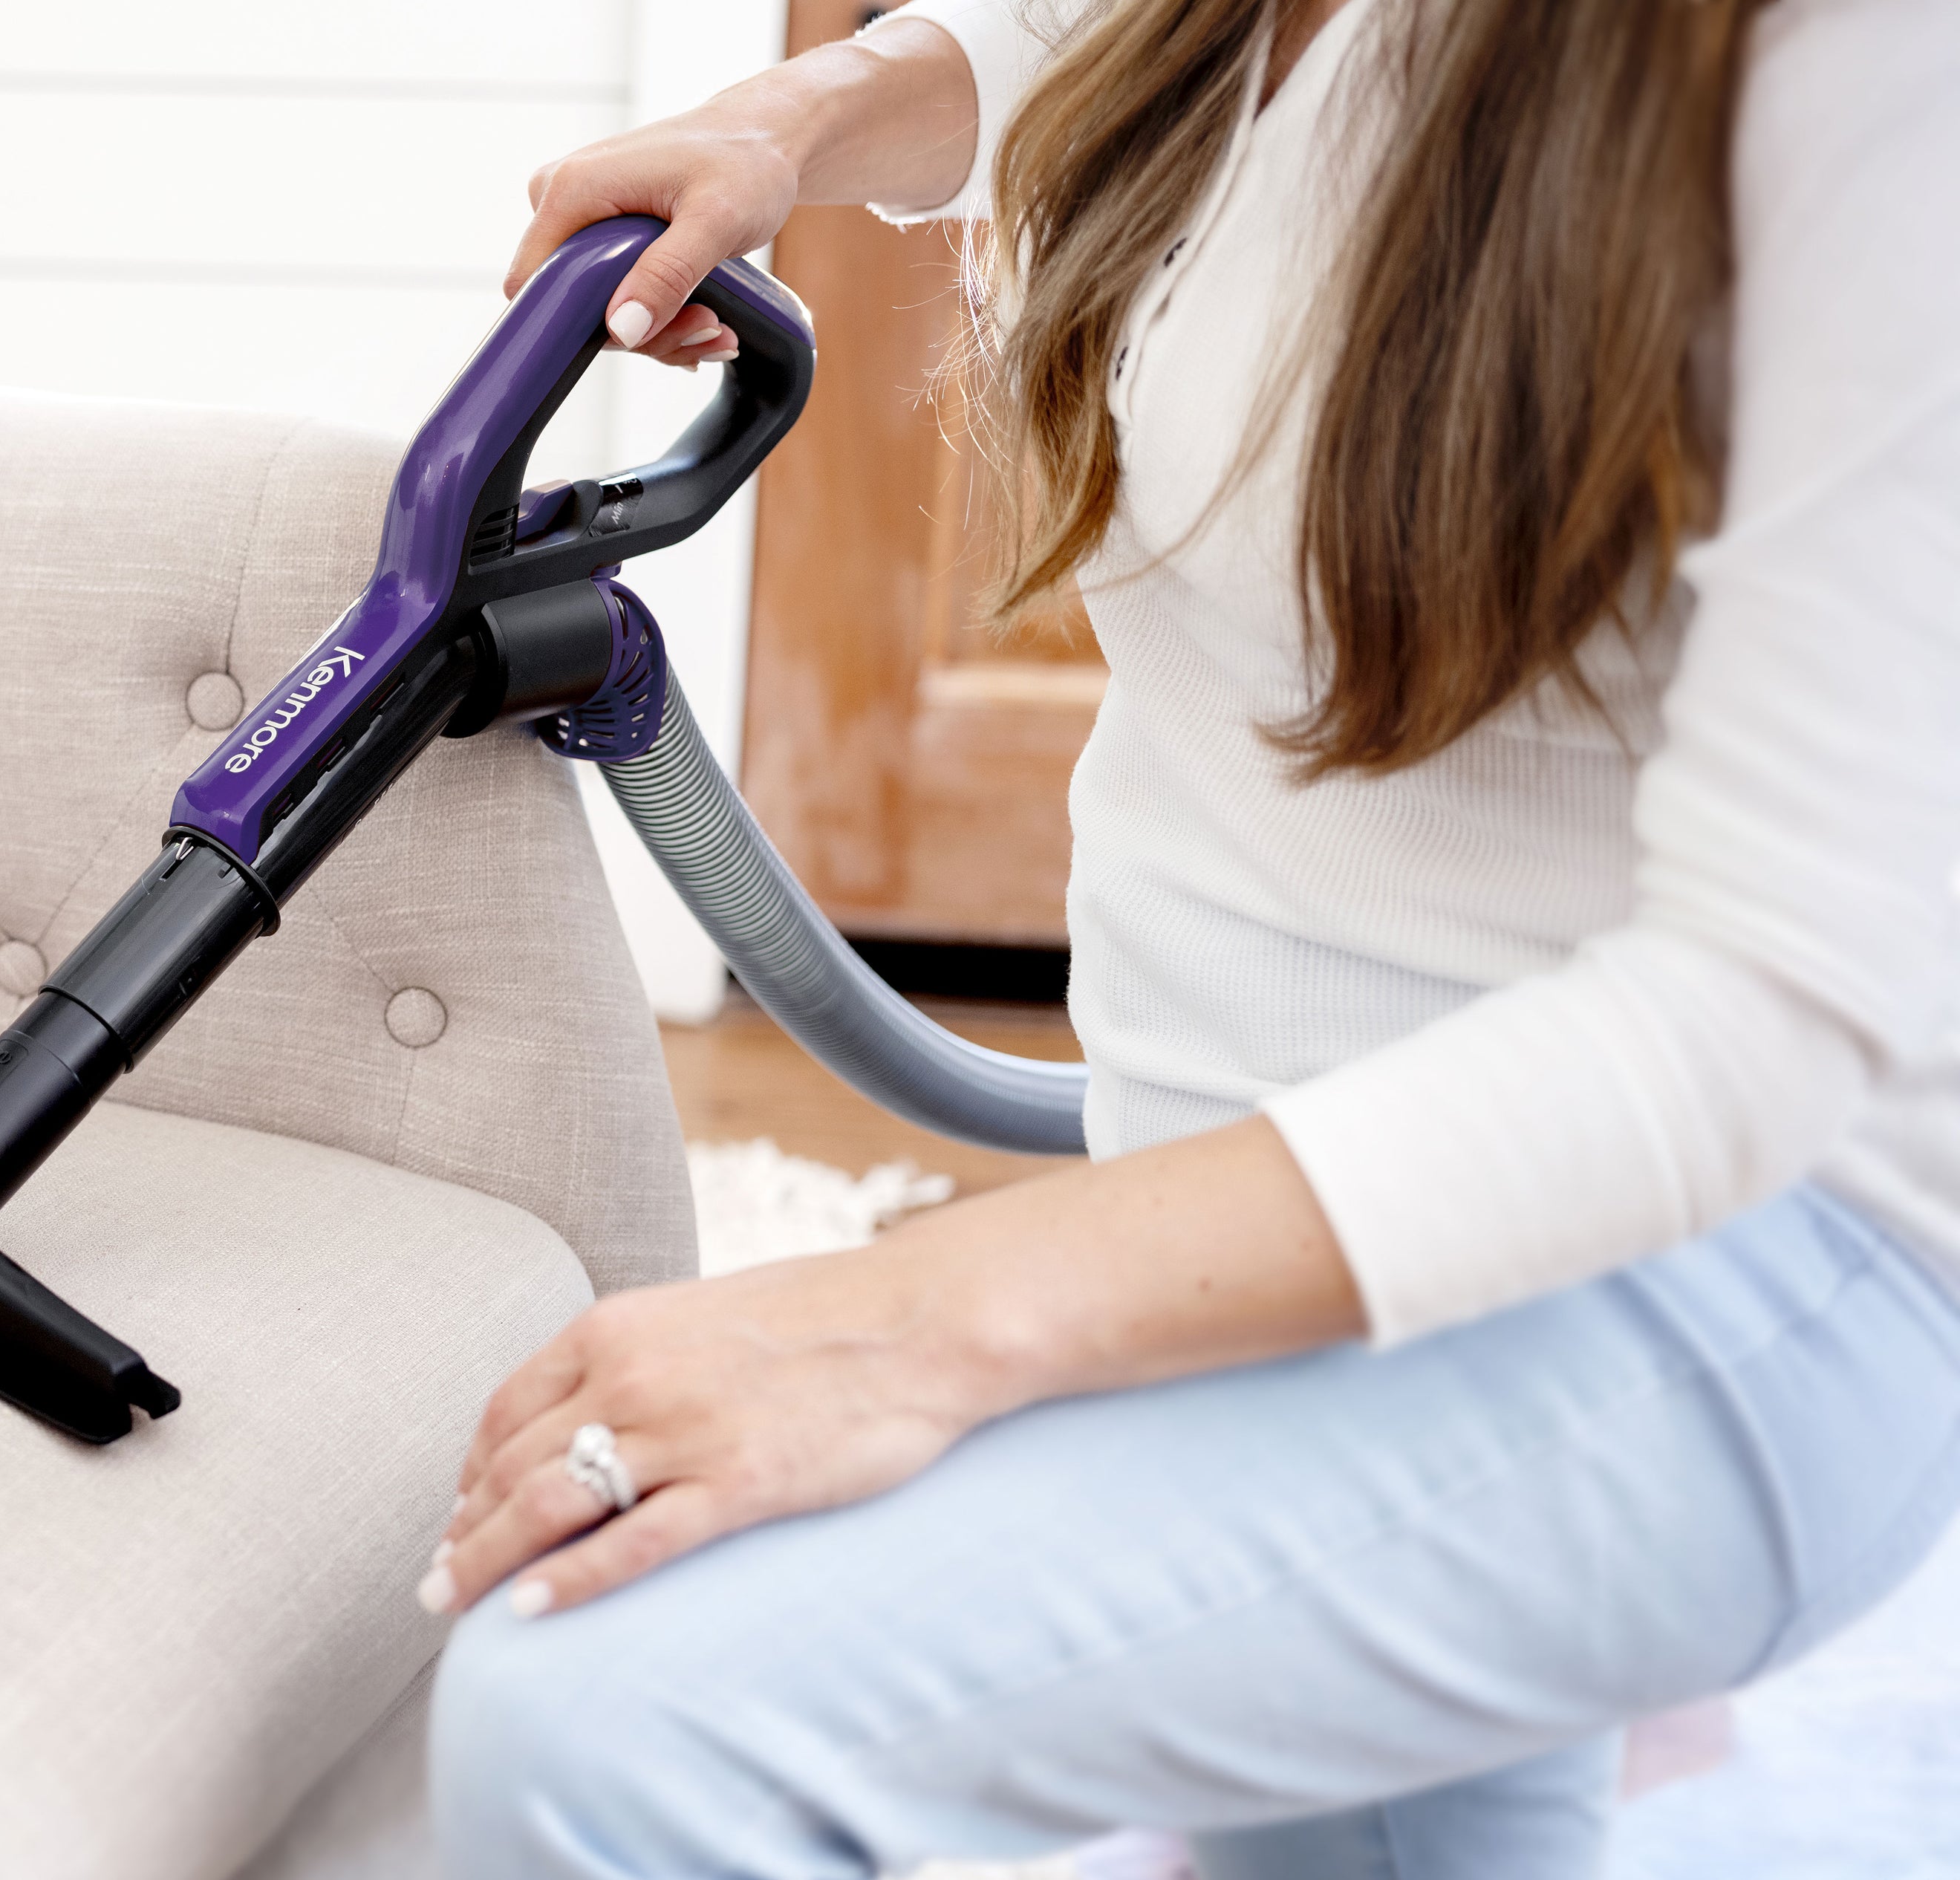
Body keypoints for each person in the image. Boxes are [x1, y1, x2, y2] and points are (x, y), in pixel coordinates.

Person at [414, 0, 1960, 1873]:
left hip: (1712, 1257)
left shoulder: (1879, 71)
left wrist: (900, 1328)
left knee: (612, 1715)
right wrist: (801, 123)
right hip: (1241, 1182)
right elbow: (1084, 34)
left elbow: (1770, 1012)